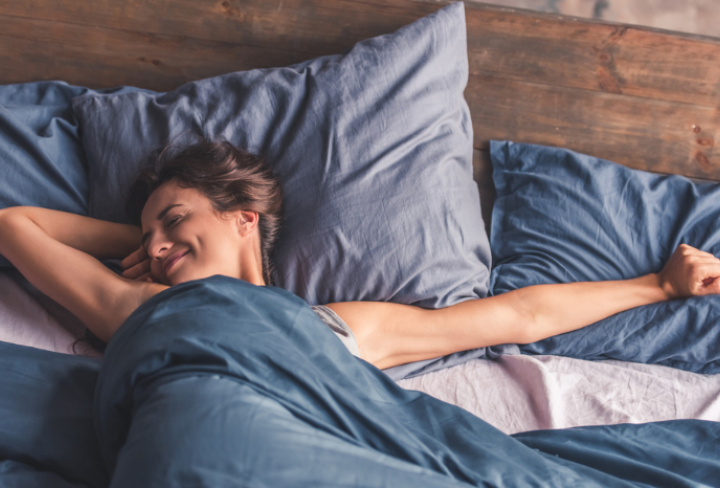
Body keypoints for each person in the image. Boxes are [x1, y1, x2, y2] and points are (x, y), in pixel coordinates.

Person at [1, 138, 719, 370]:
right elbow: (13, 226)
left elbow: (519, 317)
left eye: (176, 218)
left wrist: (657, 287)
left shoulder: (336, 327)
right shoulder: (138, 308)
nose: (156, 246)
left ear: (243, 218)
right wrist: (148, 244)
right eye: (148, 234)